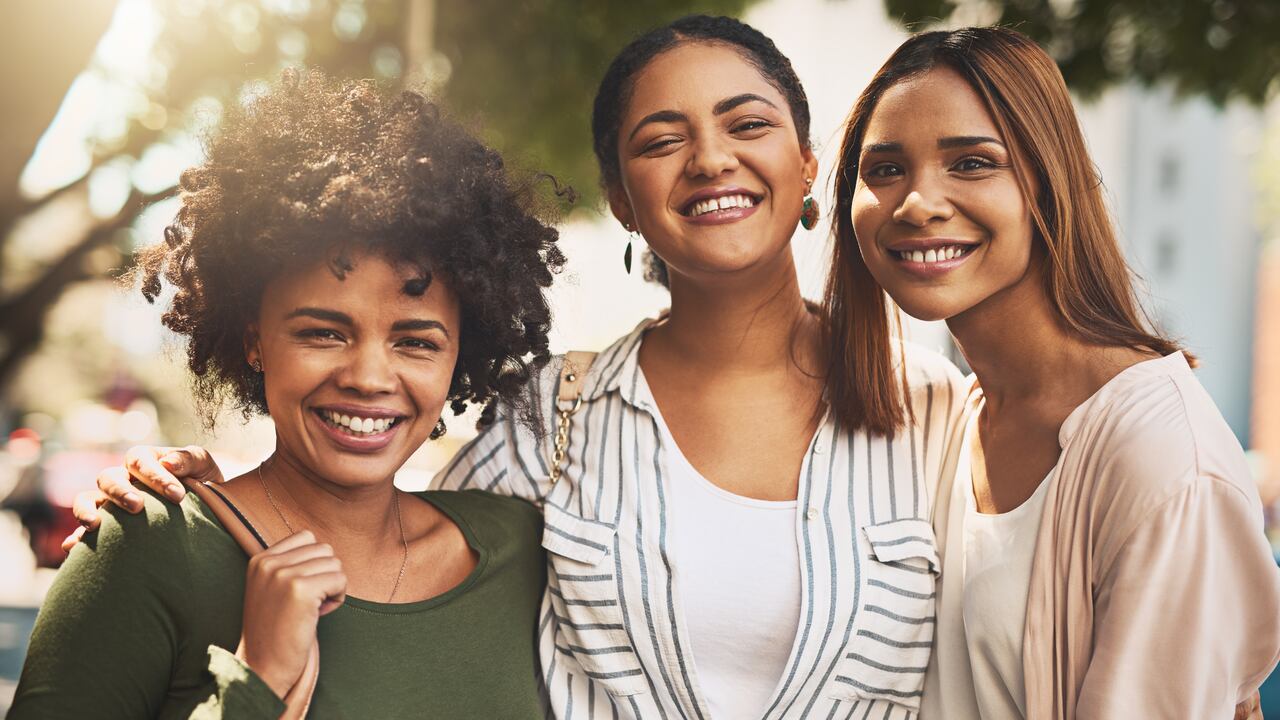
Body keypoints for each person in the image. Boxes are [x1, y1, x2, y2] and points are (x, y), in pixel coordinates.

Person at [72, 16, 970, 719]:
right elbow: (360, 506)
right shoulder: (553, 418)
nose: (709, 158)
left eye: (748, 123)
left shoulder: (933, 412)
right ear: (621, 197)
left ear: (809, 163)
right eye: (661, 139)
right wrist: (189, 502)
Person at [12, 70, 561, 718]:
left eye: (416, 341)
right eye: (324, 332)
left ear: (459, 355)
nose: (368, 376)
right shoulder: (151, 551)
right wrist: (255, 685)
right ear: (253, 339)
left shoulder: (522, 550)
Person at [829, 26, 1280, 719]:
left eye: (972, 163)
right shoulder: (951, 418)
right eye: (884, 170)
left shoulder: (1165, 465)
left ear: (1050, 183)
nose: (917, 202)